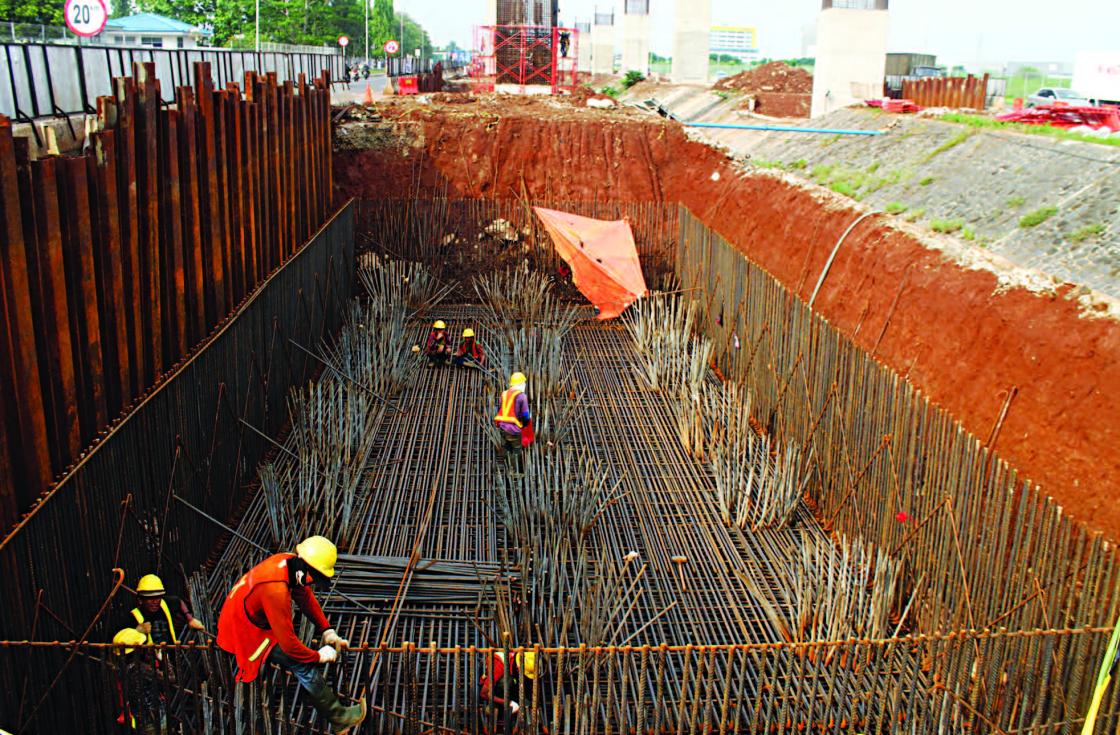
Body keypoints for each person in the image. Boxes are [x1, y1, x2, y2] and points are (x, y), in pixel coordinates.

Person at [217, 536, 366, 733]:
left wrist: (326, 629)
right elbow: (289, 645)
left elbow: (305, 598)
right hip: (244, 632)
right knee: (303, 665)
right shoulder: (275, 590)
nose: (314, 582)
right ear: (307, 568)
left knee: (299, 656)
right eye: (316, 577)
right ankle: (340, 719)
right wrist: (318, 656)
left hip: (251, 618)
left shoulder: (290, 563)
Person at [127, 573, 206, 648]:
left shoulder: (164, 604)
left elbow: (178, 601)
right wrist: (136, 632)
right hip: (150, 659)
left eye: (158, 597)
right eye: (150, 598)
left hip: (170, 654)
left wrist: (190, 619)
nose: (155, 601)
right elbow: (120, 642)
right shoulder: (134, 617)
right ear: (140, 600)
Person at [111, 627, 165, 734]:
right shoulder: (141, 668)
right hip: (154, 718)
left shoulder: (120, 668)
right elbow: (170, 679)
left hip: (139, 717)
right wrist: (163, 659)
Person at [479, 650, 537, 732]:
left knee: (518, 685)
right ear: (518, 668)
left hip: (510, 680)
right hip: (493, 687)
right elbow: (483, 694)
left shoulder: (518, 658)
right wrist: (507, 702)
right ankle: (498, 705)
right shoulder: (498, 668)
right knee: (507, 681)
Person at [493, 372, 533, 475]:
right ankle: (515, 472)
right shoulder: (522, 397)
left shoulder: (504, 393)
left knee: (507, 448)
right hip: (514, 430)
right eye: (523, 383)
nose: (525, 385)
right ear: (520, 384)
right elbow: (525, 416)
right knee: (517, 451)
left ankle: (508, 466)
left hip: (502, 427)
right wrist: (524, 425)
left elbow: (502, 409)